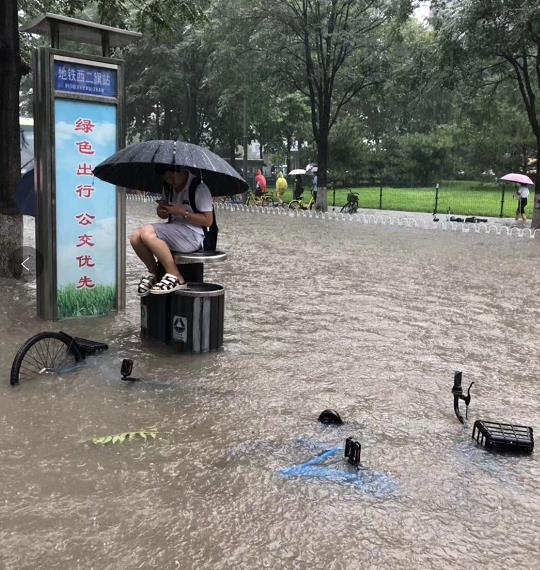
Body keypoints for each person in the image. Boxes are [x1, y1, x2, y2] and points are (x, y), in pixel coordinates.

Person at [130, 166, 213, 296]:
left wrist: (182, 212)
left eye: (174, 176)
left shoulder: (199, 188)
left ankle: (176, 276)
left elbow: (208, 221)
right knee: (135, 237)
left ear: (181, 170)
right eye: (167, 178)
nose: (172, 181)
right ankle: (154, 273)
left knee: (147, 233)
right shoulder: (168, 188)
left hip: (193, 236)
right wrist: (161, 211)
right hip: (175, 231)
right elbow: (164, 215)